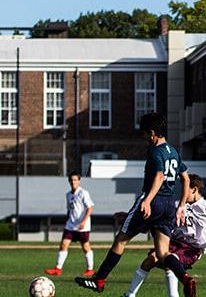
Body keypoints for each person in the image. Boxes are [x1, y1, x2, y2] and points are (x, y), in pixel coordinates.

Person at [75, 113, 193, 295]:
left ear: (153, 133)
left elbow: (159, 176)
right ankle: (185, 278)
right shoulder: (174, 151)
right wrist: (182, 205)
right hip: (170, 204)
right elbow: (185, 179)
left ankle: (99, 280)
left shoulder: (155, 151)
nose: (144, 137)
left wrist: (147, 200)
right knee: (163, 253)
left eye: (145, 134)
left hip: (153, 199)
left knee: (121, 240)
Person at [122, 174, 206, 297]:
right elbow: (156, 215)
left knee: (171, 261)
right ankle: (129, 295)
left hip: (193, 247)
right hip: (174, 242)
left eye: (185, 189)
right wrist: (127, 215)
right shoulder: (178, 204)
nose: (182, 193)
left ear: (194, 189)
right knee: (150, 260)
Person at [45, 171, 95, 276]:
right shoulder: (68, 195)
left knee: (85, 247)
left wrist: (84, 221)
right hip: (71, 225)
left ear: (79, 181)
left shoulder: (83, 193)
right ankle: (58, 269)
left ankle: (90, 269)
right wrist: (67, 220)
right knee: (63, 244)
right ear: (69, 181)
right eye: (71, 180)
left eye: (75, 180)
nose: (73, 182)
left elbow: (90, 207)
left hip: (82, 226)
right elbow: (70, 209)